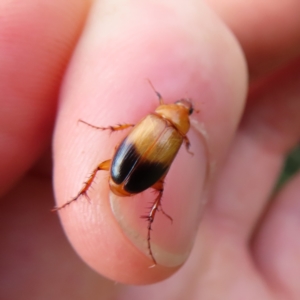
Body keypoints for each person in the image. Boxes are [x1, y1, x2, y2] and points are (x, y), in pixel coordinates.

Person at [1, 0, 300, 298]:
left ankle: (88, 200)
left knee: (107, 165)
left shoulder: (154, 120)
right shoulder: (178, 137)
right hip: (131, 179)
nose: (183, 105)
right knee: (156, 184)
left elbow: (122, 129)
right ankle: (133, 219)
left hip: (121, 174)